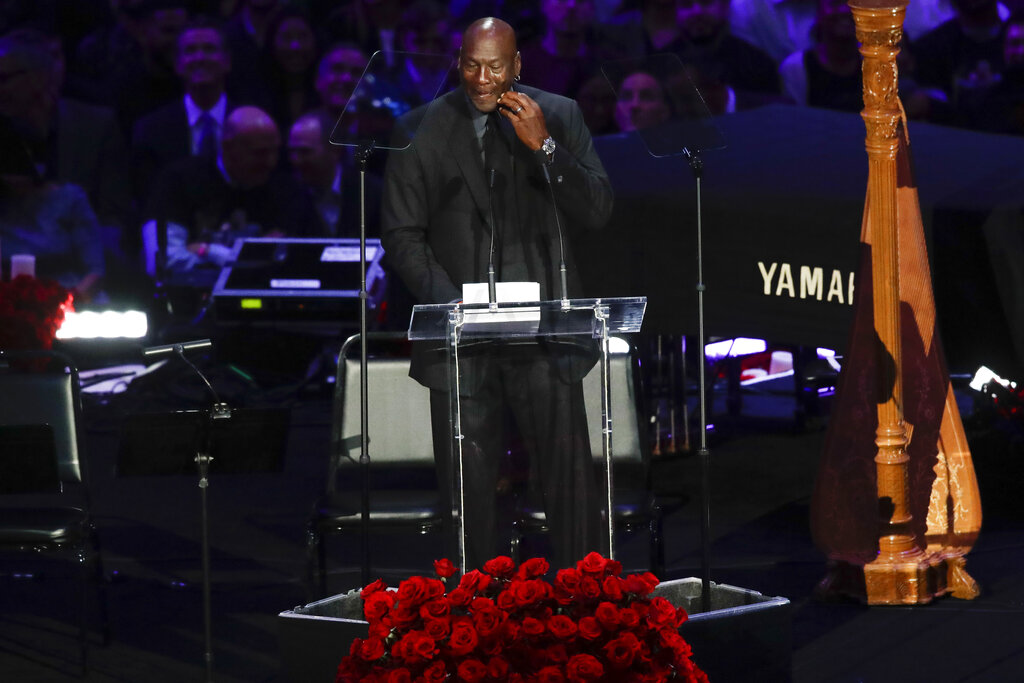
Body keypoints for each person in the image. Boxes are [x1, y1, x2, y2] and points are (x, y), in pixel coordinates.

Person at [380, 17, 613, 570]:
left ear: (517, 66)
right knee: (469, 496)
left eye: (495, 67)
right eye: (470, 65)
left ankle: (582, 606)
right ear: (457, 61)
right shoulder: (418, 130)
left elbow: (598, 211)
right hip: (462, 339)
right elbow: (402, 235)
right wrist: (451, 305)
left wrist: (547, 149)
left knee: (568, 488)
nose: (482, 78)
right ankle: (473, 613)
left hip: (545, 333)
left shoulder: (559, 115)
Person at [141, 106, 317, 286]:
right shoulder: (178, 181)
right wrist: (250, 259)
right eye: (260, 153)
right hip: (191, 305)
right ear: (228, 147)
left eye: (275, 151)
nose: (271, 162)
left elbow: (302, 263)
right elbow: (160, 263)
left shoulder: (286, 189)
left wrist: (208, 251)